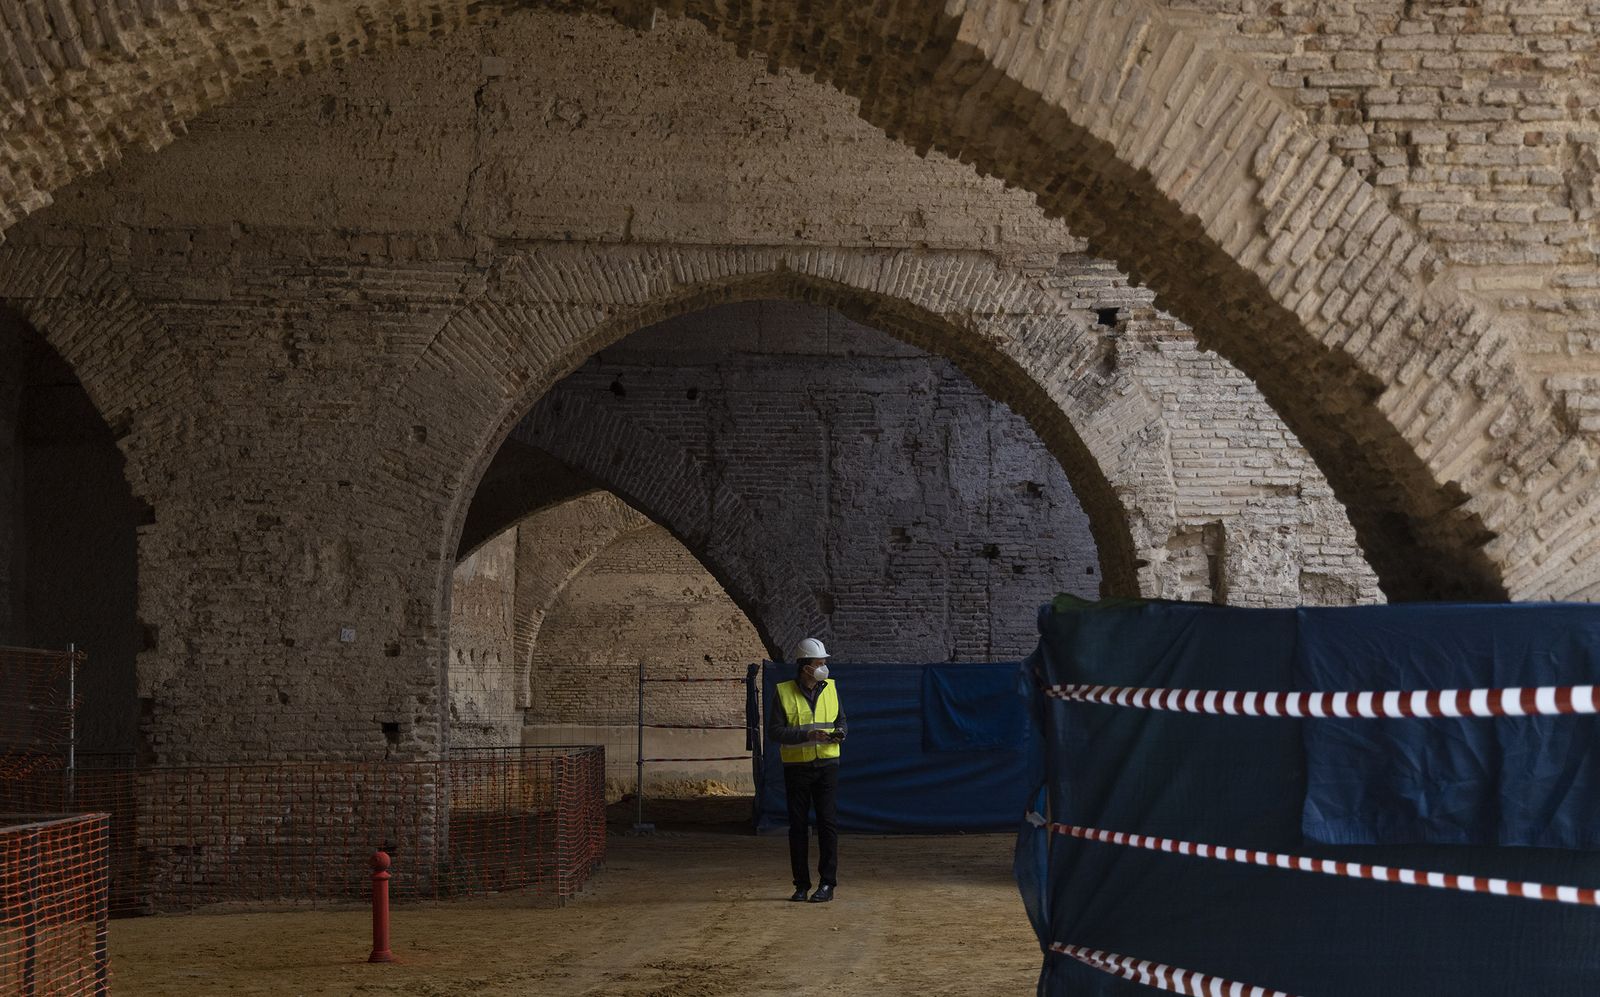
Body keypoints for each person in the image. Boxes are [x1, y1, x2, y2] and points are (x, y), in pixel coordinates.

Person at [768, 636, 846, 903]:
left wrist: (840, 733)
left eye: (824, 662)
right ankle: (801, 885)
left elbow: (842, 720)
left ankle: (827, 884)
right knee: (798, 827)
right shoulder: (783, 692)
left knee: (827, 824)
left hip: (827, 766)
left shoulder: (832, 688)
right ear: (805, 667)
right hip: (797, 768)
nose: (823, 667)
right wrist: (806, 736)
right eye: (819, 663)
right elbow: (775, 731)